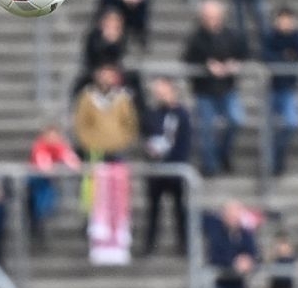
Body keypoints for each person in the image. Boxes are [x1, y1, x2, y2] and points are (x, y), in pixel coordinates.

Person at [72, 64, 139, 264]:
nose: (106, 78)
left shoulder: (122, 98)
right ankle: (93, 231)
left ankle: (118, 234)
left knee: (118, 193)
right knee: (94, 193)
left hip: (117, 151)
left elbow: (130, 124)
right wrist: (91, 142)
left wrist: (121, 140)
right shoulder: (88, 97)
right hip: (95, 152)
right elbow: (81, 124)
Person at [183, 0, 248, 179]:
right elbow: (188, 59)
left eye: (214, 17)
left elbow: (243, 53)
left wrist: (234, 64)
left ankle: (224, 153)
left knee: (236, 120)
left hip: (227, 88)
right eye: (207, 17)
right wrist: (207, 66)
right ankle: (209, 164)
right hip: (204, 90)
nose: (211, 21)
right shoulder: (196, 37)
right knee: (206, 128)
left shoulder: (231, 35)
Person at [140, 77, 193, 256]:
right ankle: (149, 245)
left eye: (163, 91)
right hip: (156, 170)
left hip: (175, 169)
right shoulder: (153, 113)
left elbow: (183, 143)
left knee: (179, 209)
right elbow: (147, 135)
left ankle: (183, 245)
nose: (160, 95)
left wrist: (174, 160)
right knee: (153, 210)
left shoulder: (182, 114)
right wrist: (150, 151)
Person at [261, 7, 298, 179]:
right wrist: (284, 56)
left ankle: (278, 155)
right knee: (269, 128)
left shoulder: (296, 36)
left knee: (292, 123)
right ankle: (270, 163)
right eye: (283, 19)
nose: (285, 23)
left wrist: (283, 56)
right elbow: (267, 56)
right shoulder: (270, 36)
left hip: (288, 88)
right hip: (271, 88)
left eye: (289, 20)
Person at [27, 122, 81, 244]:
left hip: (48, 181)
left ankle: (43, 217)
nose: (52, 138)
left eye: (54, 136)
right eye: (50, 135)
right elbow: (43, 165)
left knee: (48, 195)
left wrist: (69, 163)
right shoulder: (39, 147)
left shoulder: (60, 147)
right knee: (41, 195)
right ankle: (38, 220)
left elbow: (72, 161)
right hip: (37, 181)